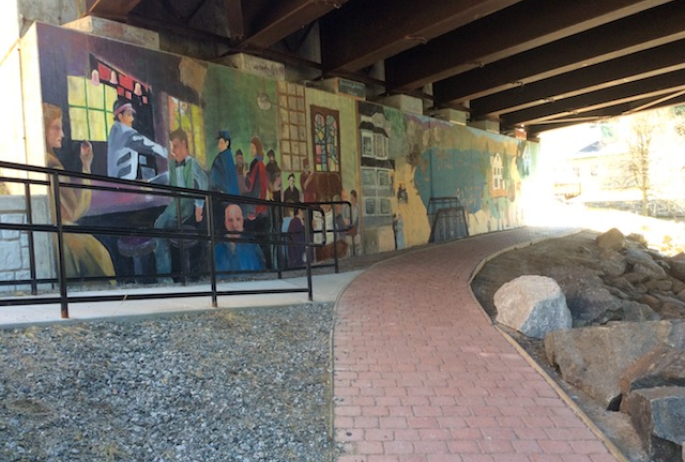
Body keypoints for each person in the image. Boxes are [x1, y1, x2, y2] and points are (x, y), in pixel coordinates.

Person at [43, 103, 116, 283]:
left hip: (48, 238)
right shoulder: (52, 165)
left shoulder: (42, 160)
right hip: (64, 239)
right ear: (42, 129)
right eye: (56, 128)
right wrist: (86, 165)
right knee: (102, 258)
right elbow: (76, 211)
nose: (62, 134)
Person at [154, 128, 208, 279]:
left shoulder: (192, 163)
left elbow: (203, 182)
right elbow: (171, 185)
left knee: (162, 226)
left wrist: (199, 206)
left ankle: (166, 275)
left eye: (176, 146)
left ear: (184, 144)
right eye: (172, 147)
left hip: (188, 204)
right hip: (175, 204)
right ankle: (164, 275)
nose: (173, 151)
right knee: (159, 225)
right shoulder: (172, 165)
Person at [106, 97, 167, 181]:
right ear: (120, 116)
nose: (132, 119)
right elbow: (146, 144)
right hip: (124, 184)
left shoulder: (115, 130)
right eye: (129, 115)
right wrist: (167, 152)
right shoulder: (125, 133)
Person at [215, 203, 265, 273]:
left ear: (242, 221)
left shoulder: (252, 245)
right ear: (225, 223)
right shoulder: (217, 249)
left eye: (238, 219)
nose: (235, 225)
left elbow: (261, 271)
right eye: (230, 220)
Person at [209, 130, 240, 196]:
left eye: (221, 143)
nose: (219, 145)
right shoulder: (227, 156)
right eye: (219, 143)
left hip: (224, 196)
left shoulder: (223, 158)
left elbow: (224, 182)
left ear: (227, 143)